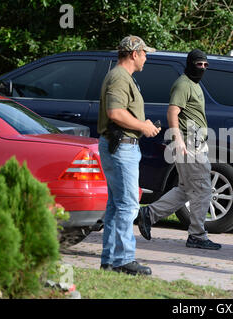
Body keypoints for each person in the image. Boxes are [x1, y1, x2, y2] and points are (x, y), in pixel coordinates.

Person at [138, 49, 221, 250]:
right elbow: (172, 112)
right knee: (202, 189)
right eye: (198, 64)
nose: (202, 68)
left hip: (195, 143)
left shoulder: (194, 84)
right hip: (189, 143)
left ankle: (148, 214)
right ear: (189, 63)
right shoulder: (183, 84)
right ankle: (197, 235)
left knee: (185, 189)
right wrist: (178, 139)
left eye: (205, 65)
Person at [97, 35, 161, 276]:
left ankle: (110, 260)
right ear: (134, 54)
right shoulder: (119, 78)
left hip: (121, 145)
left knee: (116, 204)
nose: (146, 58)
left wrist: (141, 123)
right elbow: (115, 112)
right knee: (128, 205)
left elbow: (122, 112)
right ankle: (123, 260)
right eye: (144, 53)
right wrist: (143, 127)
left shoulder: (122, 77)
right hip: (122, 147)